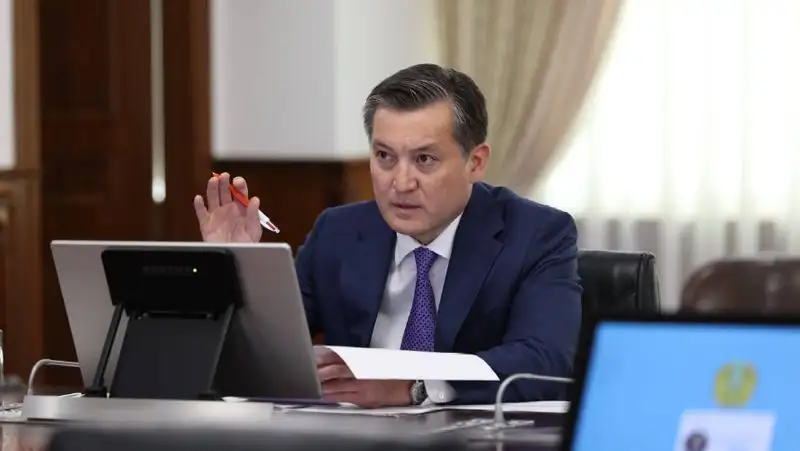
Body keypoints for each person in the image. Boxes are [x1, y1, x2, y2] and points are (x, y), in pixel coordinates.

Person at [193, 63, 582, 408]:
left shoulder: (535, 235)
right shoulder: (338, 232)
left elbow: (545, 361)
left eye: (424, 159)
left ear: (475, 162)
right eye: (384, 157)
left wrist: (416, 385)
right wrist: (242, 271)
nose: (401, 182)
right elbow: (271, 351)